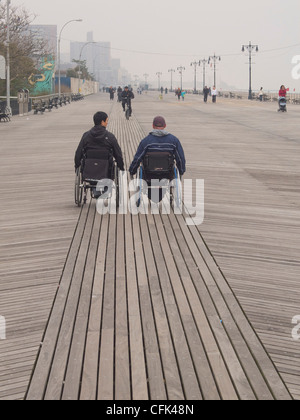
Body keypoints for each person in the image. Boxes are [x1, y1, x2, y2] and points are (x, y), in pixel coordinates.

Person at [75, 112, 125, 198]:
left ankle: (95, 189)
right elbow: (118, 154)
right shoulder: (110, 137)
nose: (107, 123)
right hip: (105, 170)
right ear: (102, 122)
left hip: (89, 170)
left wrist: (77, 166)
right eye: (106, 121)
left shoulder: (86, 135)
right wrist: (121, 167)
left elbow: (78, 153)